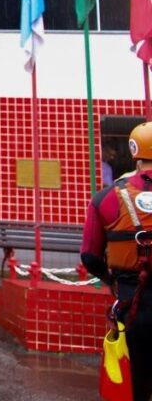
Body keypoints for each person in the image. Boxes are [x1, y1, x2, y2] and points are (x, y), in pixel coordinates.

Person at [81, 122, 152, 401]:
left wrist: (111, 281)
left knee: (133, 383)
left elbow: (89, 255)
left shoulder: (106, 197)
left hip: (130, 302)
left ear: (134, 151)